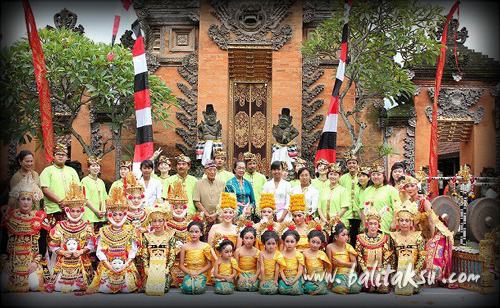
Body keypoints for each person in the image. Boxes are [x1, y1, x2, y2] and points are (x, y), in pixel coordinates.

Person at [86, 187, 141, 294]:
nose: (117, 217)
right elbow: (100, 252)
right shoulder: (103, 231)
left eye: (120, 214)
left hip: (125, 264)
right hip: (108, 265)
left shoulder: (130, 231)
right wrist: (109, 265)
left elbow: (133, 251)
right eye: (114, 214)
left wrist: (126, 264)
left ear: (125, 215)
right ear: (110, 215)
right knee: (106, 289)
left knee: (127, 289)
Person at [1, 176, 49, 292]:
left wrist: (35, 262)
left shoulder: (39, 219)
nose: (26, 202)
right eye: (23, 199)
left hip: (31, 262)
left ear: (33, 201)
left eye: (29, 199)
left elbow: (42, 245)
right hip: (12, 263)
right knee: (3, 288)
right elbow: (3, 244)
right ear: (18, 201)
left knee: (34, 286)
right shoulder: (10, 219)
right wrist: (5, 262)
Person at [47, 183, 95, 293]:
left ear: (82, 211)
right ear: (67, 211)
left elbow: (91, 245)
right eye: (72, 211)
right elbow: (52, 244)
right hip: (63, 261)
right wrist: (62, 252)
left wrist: (82, 251)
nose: (75, 214)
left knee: (83, 286)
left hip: (81, 261)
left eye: (78, 211)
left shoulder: (86, 226)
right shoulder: (60, 226)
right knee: (59, 287)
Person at [40, 143, 80, 228]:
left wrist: (68, 202)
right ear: (53, 156)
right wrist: (59, 201)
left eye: (63, 155)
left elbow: (77, 189)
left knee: (69, 237)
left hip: (70, 210)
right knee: (52, 236)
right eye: (58, 154)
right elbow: (44, 188)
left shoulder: (72, 171)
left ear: (67, 157)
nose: (60, 156)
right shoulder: (47, 171)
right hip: (52, 209)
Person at [355, 202, 392, 294]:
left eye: (375, 224)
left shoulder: (384, 238)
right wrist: (365, 270)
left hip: (379, 271)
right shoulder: (360, 238)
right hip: (366, 271)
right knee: (369, 286)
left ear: (378, 225)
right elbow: (359, 256)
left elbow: (386, 256)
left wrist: (382, 271)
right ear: (367, 224)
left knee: (383, 288)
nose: (373, 226)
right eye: (370, 224)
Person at [390, 201, 425, 296]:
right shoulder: (394, 237)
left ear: (411, 221)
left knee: (415, 287)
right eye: (401, 220)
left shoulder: (418, 237)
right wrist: (393, 273)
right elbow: (393, 257)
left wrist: (415, 272)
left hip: (413, 272)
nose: (404, 223)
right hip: (399, 272)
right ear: (398, 221)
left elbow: (422, 257)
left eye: (407, 220)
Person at [141, 201, 176, 295]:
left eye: (160, 221)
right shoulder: (147, 236)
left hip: (164, 268)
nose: (157, 224)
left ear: (165, 221)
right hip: (151, 268)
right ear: (151, 222)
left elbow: (172, 254)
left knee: (163, 288)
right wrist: (146, 268)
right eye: (154, 221)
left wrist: (168, 268)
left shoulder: (170, 236)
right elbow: (144, 255)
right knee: (146, 287)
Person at [165, 180, 193, 288]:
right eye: (176, 208)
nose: (179, 210)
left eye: (181, 207)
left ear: (185, 208)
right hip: (172, 254)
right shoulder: (167, 223)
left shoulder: (189, 222)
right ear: (172, 208)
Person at [361, 164, 401, 234]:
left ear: (383, 176)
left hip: (385, 224)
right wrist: (364, 224)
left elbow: (397, 208)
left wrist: (394, 222)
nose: (376, 177)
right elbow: (362, 208)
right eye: (373, 175)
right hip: (369, 225)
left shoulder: (391, 190)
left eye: (378, 174)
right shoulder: (367, 190)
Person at [179, 219, 213, 294]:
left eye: (196, 232)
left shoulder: (205, 246)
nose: (194, 234)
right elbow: (181, 265)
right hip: (189, 272)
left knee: (198, 289)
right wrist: (189, 272)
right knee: (187, 289)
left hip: (201, 272)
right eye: (191, 231)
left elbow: (209, 264)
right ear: (188, 233)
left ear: (201, 233)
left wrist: (198, 272)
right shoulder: (185, 246)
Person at [326, 221, 362, 294]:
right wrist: (330, 281)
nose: (346, 237)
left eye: (347, 235)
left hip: (350, 272)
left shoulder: (348, 247)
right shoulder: (330, 247)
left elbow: (355, 265)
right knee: (341, 289)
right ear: (336, 237)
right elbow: (329, 266)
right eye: (343, 235)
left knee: (356, 289)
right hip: (338, 273)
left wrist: (341, 263)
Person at [193, 160, 225, 239]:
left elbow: (224, 202)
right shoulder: (198, 183)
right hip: (204, 218)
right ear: (204, 171)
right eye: (210, 169)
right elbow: (197, 201)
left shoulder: (222, 183)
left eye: (214, 170)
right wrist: (207, 215)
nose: (212, 172)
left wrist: (216, 214)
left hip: (218, 217)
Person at [208, 192, 240, 259]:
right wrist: (217, 261)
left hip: (231, 261)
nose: (228, 215)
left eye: (230, 212)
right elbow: (210, 247)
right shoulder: (214, 227)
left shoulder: (237, 229)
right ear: (221, 213)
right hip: (216, 261)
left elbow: (237, 250)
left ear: (234, 214)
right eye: (225, 212)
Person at [339, 153, 361, 247]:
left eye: (354, 163)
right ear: (347, 165)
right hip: (346, 213)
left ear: (357, 164)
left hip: (359, 212)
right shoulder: (343, 178)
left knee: (358, 236)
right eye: (349, 163)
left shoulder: (361, 177)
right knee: (346, 236)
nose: (352, 165)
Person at [302, 228, 331, 295]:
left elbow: (326, 268)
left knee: (321, 288)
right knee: (307, 287)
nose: (315, 245)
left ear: (321, 244)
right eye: (313, 242)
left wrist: (328, 280)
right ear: (308, 240)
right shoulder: (305, 253)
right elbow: (303, 267)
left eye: (318, 243)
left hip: (320, 279)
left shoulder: (322, 254)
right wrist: (304, 276)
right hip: (309, 279)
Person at [81, 156, 107, 227]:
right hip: (89, 215)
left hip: (100, 216)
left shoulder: (101, 182)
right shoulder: (85, 181)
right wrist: (96, 211)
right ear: (89, 168)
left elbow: (104, 198)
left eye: (97, 166)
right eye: (93, 166)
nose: (96, 168)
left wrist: (103, 210)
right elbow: (85, 199)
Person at [258, 228, 286, 295]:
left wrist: (275, 280)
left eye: (273, 244)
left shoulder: (277, 254)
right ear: (264, 243)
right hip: (264, 276)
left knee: (273, 290)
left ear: (276, 244)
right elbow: (262, 267)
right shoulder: (261, 253)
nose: (271, 246)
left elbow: (277, 268)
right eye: (268, 244)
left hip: (273, 277)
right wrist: (263, 279)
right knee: (263, 290)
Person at [278, 228, 305, 295]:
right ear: (284, 242)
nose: (289, 244)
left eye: (292, 242)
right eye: (287, 241)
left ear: (296, 243)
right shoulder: (280, 254)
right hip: (285, 277)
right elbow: (280, 270)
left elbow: (300, 271)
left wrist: (294, 280)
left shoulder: (299, 255)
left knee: (297, 290)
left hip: (295, 277)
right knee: (282, 290)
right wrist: (285, 280)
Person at [234, 225, 260, 291]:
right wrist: (240, 276)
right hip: (241, 272)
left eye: (251, 238)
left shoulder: (257, 251)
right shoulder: (238, 251)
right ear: (242, 239)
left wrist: (255, 277)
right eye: (246, 238)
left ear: (255, 239)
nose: (249, 240)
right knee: (242, 286)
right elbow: (235, 266)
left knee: (253, 286)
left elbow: (259, 268)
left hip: (253, 273)